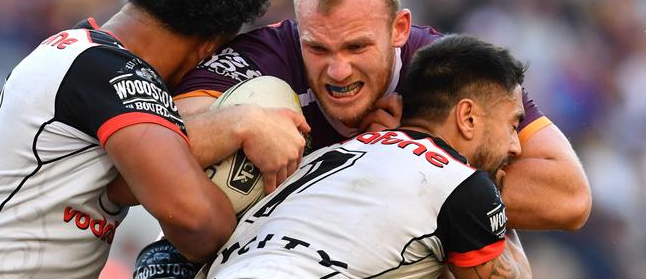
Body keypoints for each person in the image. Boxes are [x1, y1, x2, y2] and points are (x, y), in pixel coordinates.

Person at [134, 0, 590, 278]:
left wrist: (411, 153)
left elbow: (568, 195)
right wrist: (241, 122)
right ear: (299, 30)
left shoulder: (447, 71)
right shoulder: (265, 58)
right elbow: (153, 141)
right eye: (317, 47)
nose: (337, 70)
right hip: (237, 252)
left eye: (356, 46)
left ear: (399, 29)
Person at [0, 0, 309, 278]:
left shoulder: (76, 50)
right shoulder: (111, 69)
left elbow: (121, 181)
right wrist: (242, 121)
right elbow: (200, 225)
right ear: (207, 47)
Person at [202, 35, 532, 279]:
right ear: (468, 118)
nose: (516, 147)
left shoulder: (318, 160)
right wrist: (494, 199)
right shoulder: (458, 182)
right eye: (513, 124)